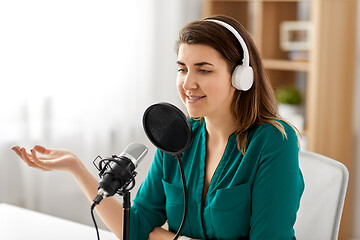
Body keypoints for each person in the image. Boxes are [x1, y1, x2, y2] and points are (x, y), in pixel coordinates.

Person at [12, 14, 304, 240]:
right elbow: (137, 228)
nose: (188, 83)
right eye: (182, 68)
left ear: (240, 77)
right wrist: (76, 168)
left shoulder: (274, 141)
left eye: (203, 69)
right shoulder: (176, 136)